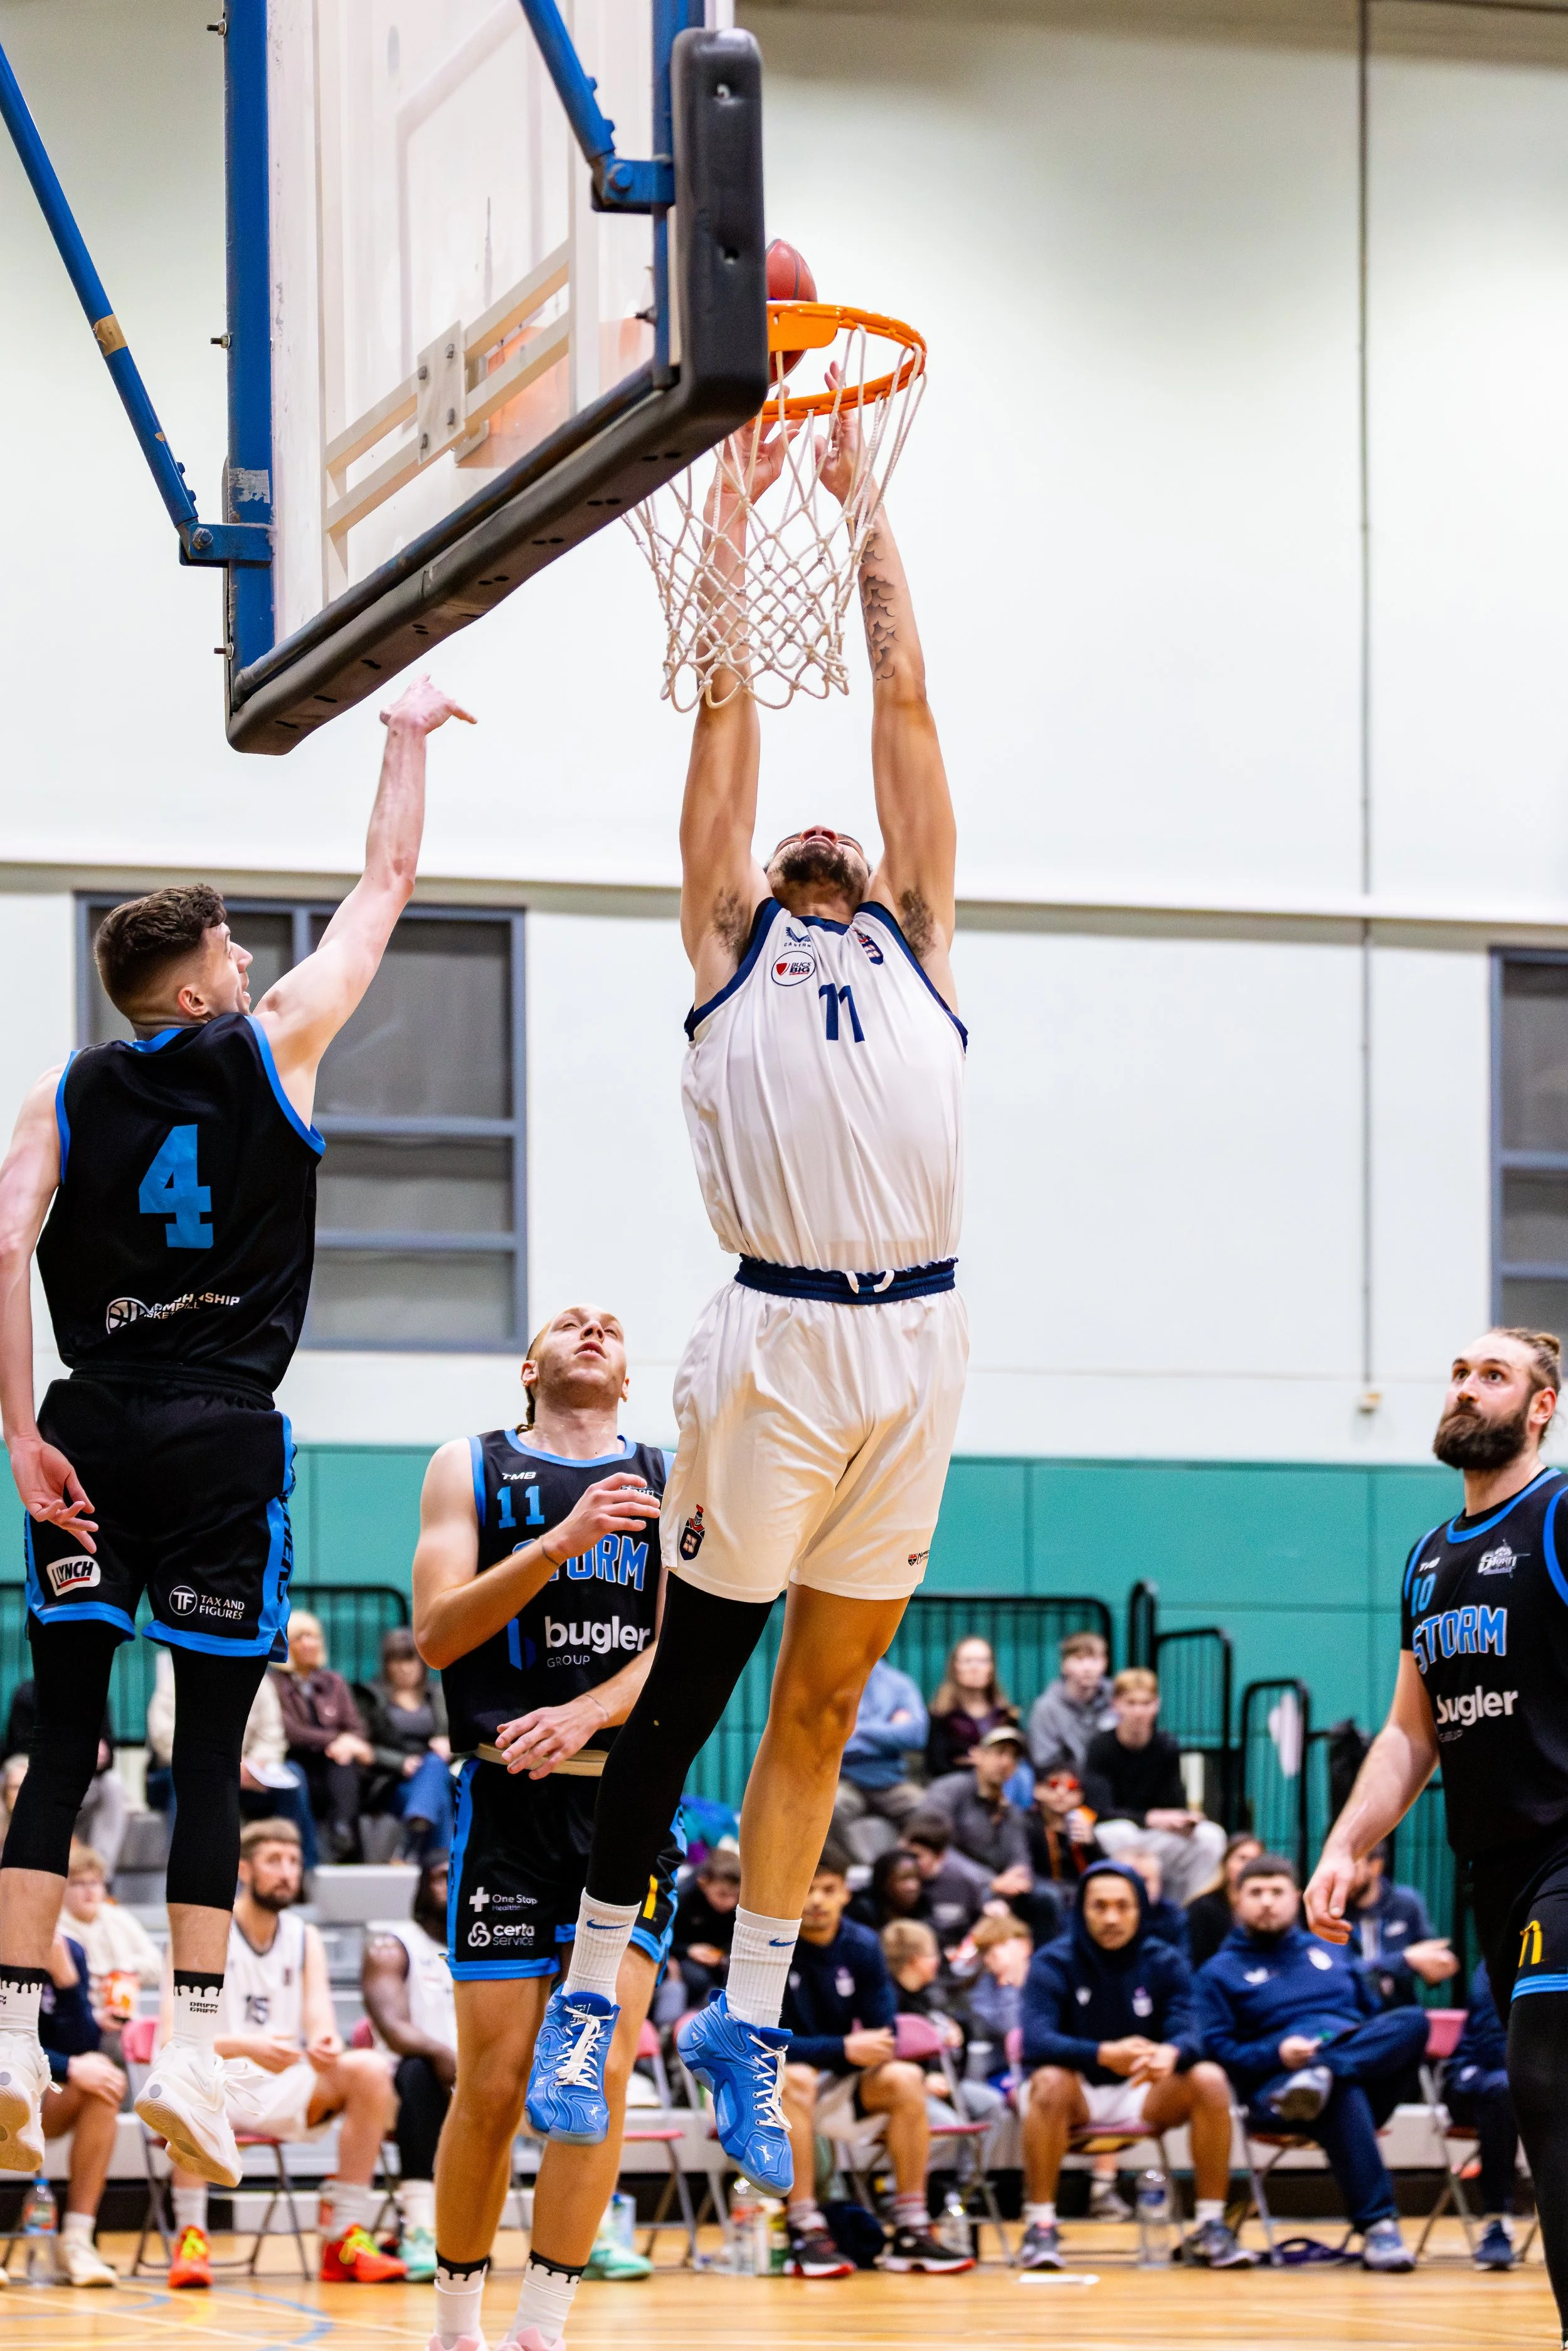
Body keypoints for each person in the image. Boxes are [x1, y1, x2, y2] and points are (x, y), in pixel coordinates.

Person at [522, 426, 968, 2200]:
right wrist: (726, 514)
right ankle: (591, 1995)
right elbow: (728, 735)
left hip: (921, 1346)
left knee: (830, 1704)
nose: (816, 821)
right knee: (694, 1689)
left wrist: (861, 516)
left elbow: (906, 703)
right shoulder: (730, 940)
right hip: (774, 1347)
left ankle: (746, 2019)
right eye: (796, 826)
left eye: (835, 825)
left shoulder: (920, 934)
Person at [0, 677, 472, 2185]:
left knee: (57, 1732)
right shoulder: (274, 1042)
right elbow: (386, 886)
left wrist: (17, 1430)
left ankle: (12, 2040)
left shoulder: (63, 1095)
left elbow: (3, 1247)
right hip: (217, 1432)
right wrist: (401, 743)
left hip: (86, 1424)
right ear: (200, 993)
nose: (252, 957)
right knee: (215, 1754)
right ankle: (198, 2056)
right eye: (229, 948)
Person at [411, 1302, 678, 2351]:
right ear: (532, 1366)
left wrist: (590, 1708)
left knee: (600, 2066)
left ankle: (543, 2326)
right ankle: (455, 2325)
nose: (593, 1323)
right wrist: (562, 1541)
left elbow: (688, 1645)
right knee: (497, 2075)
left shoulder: (670, 1472)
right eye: (569, 1319)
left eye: (611, 1321)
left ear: (628, 1373)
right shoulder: (465, 1464)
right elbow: (437, 1633)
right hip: (507, 1802)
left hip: (627, 1794)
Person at [1305, 1327, 1568, 2333]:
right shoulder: (1426, 1561)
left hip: (1566, 1851)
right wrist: (1343, 1845)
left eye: (1492, 1375)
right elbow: (1411, 1736)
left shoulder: (1558, 1515)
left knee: (1539, 2079)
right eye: (1459, 1373)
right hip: (1495, 1866)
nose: (1467, 1387)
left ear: (1541, 1405)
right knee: (1549, 2098)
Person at [159, 1815, 405, 2289]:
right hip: (216, 2083)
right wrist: (247, 2045)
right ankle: (191, 2236)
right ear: (245, 1870)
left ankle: (343, 2237)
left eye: (294, 1861)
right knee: (186, 2079)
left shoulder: (303, 1936)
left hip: (282, 2084)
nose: (287, 1872)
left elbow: (321, 2026)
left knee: (369, 2070)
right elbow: (172, 2040)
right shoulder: (201, 1930)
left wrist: (324, 2045)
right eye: (275, 1861)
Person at [1197, 1853, 1426, 2271]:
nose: (1267, 1902)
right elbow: (1217, 2049)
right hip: (1276, 2092)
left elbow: (1372, 2015)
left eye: (1277, 1892)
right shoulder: (1219, 1972)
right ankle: (1380, 2230)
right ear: (1237, 1901)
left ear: (1297, 1898)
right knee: (1341, 2092)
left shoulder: (1332, 1948)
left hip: (1347, 2065)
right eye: (1256, 1893)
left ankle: (1326, 2069)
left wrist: (1329, 2057)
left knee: (1411, 2022)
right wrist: (1276, 2054)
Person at [1017, 1860, 1249, 2272]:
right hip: (1074, 2092)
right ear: (1081, 1910)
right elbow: (1036, 2041)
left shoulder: (1165, 1960)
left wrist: (1172, 2053)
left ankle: (1210, 2225)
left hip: (1142, 2089)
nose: (1111, 1918)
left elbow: (1194, 2032)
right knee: (1049, 2080)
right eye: (1099, 1906)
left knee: (1210, 2079)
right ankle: (1040, 2226)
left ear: (1140, 1909)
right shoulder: (1053, 1961)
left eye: (1123, 1906)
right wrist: (1104, 2054)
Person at [777, 1842, 973, 2277]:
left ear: (846, 1892)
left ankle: (911, 2227)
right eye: (807, 1889)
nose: (816, 1900)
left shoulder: (863, 1945)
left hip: (843, 2085)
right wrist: (844, 2049)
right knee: (797, 2076)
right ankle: (805, 2225)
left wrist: (854, 2052)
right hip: (774, 2093)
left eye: (828, 1889)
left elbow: (885, 2034)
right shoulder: (771, 1944)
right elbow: (759, 2042)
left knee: (905, 2077)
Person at [362, 1856, 457, 2281]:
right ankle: (420, 2226)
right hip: (411, 2088)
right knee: (417, 2069)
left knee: (562, 2080)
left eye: (458, 1874)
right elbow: (396, 2031)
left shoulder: (495, 1944)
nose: (450, 1883)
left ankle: (596, 2232)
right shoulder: (393, 1945)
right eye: (439, 1876)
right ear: (421, 1888)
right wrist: (444, 2056)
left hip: (481, 2083)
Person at [146, 1643, 317, 1864]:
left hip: (247, 1773)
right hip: (188, 1769)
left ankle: (299, 1870)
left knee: (294, 1776)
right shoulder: (176, 1681)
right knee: (188, 1780)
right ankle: (186, 1869)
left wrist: (254, 1765)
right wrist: (221, 1765)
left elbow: (272, 1736)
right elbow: (163, 1736)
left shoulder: (260, 1684)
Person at [1082, 1669, 1226, 1906]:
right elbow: (1100, 1811)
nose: (1139, 1712)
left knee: (1211, 1836)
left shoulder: (1166, 1746)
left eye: (1146, 1704)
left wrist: (1183, 1821)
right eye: (1132, 1703)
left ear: (1157, 1706)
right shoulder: (1100, 1747)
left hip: (1156, 1837)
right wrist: (1149, 1818)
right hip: (1117, 1835)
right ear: (1116, 1705)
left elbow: (1174, 1803)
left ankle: (1190, 1913)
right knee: (1119, 1831)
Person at [33, 1929, 125, 2285]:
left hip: (39, 2094)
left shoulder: (69, 1950)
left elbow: (84, 2044)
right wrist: (68, 2067)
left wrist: (66, 1980)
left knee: (104, 2083)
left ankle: (77, 2239)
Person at [273, 1613, 376, 1862]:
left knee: (343, 1762)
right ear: (286, 1644)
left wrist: (346, 1743)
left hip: (335, 1763)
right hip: (296, 1760)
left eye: (315, 1637)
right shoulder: (272, 1683)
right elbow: (290, 1732)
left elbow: (357, 1728)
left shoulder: (334, 1682)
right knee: (334, 1759)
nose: (310, 1644)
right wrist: (337, 1739)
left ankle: (342, 1831)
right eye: (301, 1637)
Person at [2, 1682, 125, 1879]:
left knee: (113, 1783)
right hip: (39, 1780)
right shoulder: (27, 1694)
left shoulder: (95, 1695)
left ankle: (99, 1877)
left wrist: (104, 1755)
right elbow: (18, 1747)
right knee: (16, 1779)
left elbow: (108, 1747)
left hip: (81, 1782)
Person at [1443, 1961, 1519, 2270]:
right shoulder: (1498, 1963)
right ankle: (1497, 2221)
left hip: (1531, 2084)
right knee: (1503, 2088)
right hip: (1476, 2078)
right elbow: (1493, 2044)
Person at [357, 1626, 455, 1859]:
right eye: (397, 1661)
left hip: (439, 1769)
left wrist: (451, 1745)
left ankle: (415, 1830)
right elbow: (363, 1746)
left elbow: (462, 1737)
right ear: (386, 1665)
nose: (405, 1668)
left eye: (411, 1661)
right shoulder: (371, 1697)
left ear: (422, 1664)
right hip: (393, 1780)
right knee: (438, 1796)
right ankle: (439, 1872)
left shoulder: (438, 1694)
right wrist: (401, 1763)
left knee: (434, 1767)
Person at [59, 1841, 161, 2049]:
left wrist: (124, 1970)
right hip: (80, 2024)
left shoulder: (118, 1918)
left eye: (95, 1883)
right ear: (62, 1888)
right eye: (79, 1883)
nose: (89, 1891)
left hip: (125, 2019)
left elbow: (157, 1965)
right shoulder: (57, 1927)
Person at [926, 1726, 1037, 1904]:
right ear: (977, 1755)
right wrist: (989, 1881)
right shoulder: (949, 1790)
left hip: (999, 1888)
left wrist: (1020, 1877)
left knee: (1045, 1898)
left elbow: (1020, 1857)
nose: (1006, 1763)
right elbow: (933, 1846)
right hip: (951, 1882)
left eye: (1013, 1758)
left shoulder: (1011, 1810)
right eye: (999, 1753)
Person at [833, 1655, 929, 1855]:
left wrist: (858, 1731)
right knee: (828, 1809)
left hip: (890, 1781)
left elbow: (916, 1735)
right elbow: (827, 1739)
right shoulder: (832, 1682)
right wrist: (889, 1732)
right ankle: (854, 1872)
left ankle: (904, 1866)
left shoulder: (899, 1684)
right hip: (843, 1779)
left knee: (928, 1810)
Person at [1344, 1841, 1458, 2007]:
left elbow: (1428, 1958)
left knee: (1417, 2020)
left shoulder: (1406, 1904)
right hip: (1351, 2011)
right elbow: (1342, 1973)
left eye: (1350, 1867)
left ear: (1375, 1866)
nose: (1342, 1876)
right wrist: (1404, 1960)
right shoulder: (1332, 1912)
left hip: (1400, 2010)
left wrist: (1437, 1966)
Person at [924, 1637, 1019, 1783]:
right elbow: (936, 1764)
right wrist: (982, 1764)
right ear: (955, 1667)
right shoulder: (941, 1714)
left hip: (1003, 1784)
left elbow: (1018, 1757)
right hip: (957, 1786)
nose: (975, 1668)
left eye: (982, 1661)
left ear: (991, 1668)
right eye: (968, 1661)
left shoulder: (1006, 1714)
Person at [1027, 1632, 1118, 1778]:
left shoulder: (1118, 1701)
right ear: (1064, 1665)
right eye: (1079, 1659)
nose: (1087, 1667)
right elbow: (1045, 1763)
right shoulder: (1046, 1708)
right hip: (1066, 1790)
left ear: (1105, 1663)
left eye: (1094, 1659)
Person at [903, 1810, 988, 1949]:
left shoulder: (964, 1882)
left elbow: (978, 1924)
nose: (909, 1862)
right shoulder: (895, 1874)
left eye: (917, 1856)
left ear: (940, 1856)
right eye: (906, 1854)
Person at [670, 1848, 741, 2010]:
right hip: (687, 1957)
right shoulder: (683, 1898)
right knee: (698, 1979)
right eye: (722, 1894)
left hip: (721, 1957)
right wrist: (689, 1950)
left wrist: (724, 1954)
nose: (730, 1902)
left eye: (735, 1895)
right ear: (703, 1883)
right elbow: (668, 1939)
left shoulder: (739, 1905)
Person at [1185, 1831, 1261, 1972]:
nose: (1249, 1866)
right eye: (1242, 1858)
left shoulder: (1267, 1906)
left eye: (1255, 1860)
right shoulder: (1202, 1908)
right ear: (1226, 1863)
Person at [1027, 1765, 1103, 1893]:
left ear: (1080, 1796)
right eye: (1054, 1785)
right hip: (1046, 1893)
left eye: (1072, 1787)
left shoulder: (1085, 1822)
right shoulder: (1029, 1825)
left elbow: (1102, 1869)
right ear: (1037, 1790)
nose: (1062, 1793)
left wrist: (1091, 1845)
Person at [967, 1911, 1032, 2045]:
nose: (990, 1957)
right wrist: (1007, 1986)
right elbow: (1009, 2030)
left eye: (999, 1945)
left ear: (1024, 1945)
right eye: (985, 1951)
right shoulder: (984, 1985)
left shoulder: (1047, 1978)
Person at [1116, 1844, 1190, 1957]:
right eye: (1131, 1880)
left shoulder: (1173, 1916)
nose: (1138, 1887)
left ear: (1159, 1883)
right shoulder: (1102, 1917)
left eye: (1144, 1880)